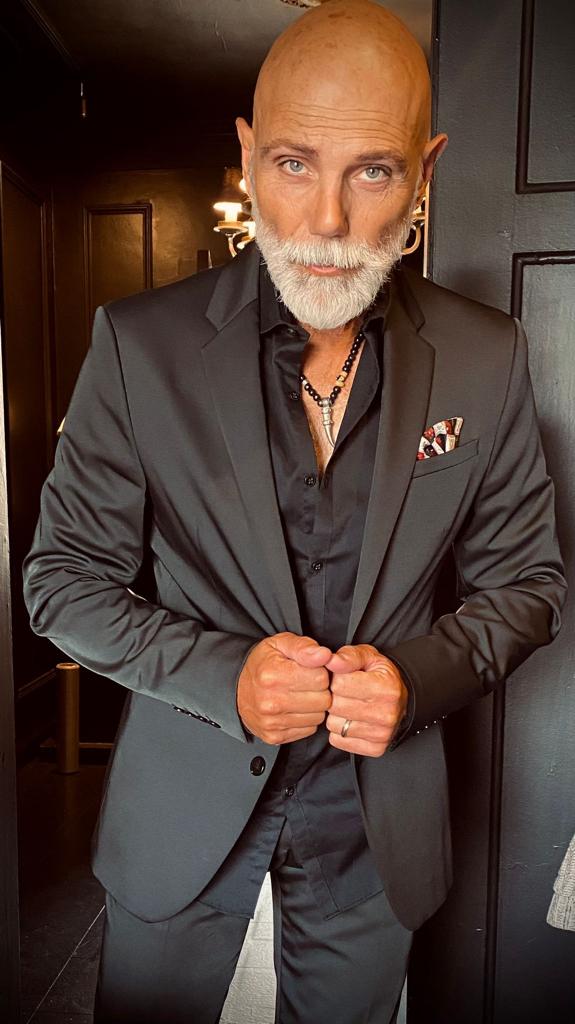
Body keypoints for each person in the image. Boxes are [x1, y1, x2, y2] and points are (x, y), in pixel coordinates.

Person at [22, 1, 566, 1021]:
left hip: (375, 830)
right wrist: (224, 676)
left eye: (372, 171)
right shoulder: (138, 345)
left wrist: (416, 679)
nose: (325, 221)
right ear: (245, 155)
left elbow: (528, 583)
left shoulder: (486, 355)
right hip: (180, 813)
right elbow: (61, 582)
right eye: (291, 164)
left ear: (424, 170)